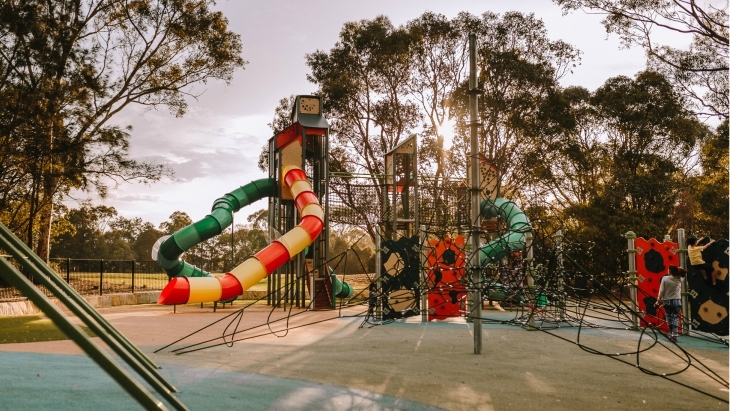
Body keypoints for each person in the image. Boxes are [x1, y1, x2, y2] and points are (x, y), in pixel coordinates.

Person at [654, 265, 686, 342]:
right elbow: (683, 274)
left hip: (667, 301)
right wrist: (680, 269)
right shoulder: (679, 279)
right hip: (677, 301)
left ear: (670, 271)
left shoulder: (665, 279)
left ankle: (672, 333)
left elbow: (661, 291)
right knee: (675, 317)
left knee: (669, 317)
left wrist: (658, 301)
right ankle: (674, 335)